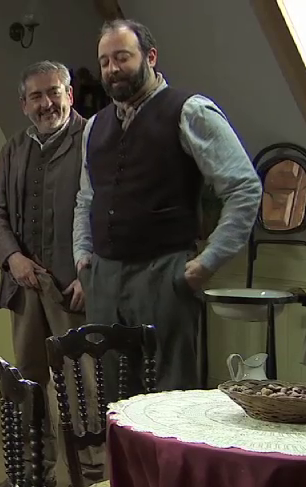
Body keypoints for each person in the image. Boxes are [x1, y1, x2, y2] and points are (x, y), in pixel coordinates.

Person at [73, 19, 262, 395]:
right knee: (112, 397)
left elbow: (244, 188)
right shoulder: (94, 127)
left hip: (164, 275)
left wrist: (206, 263)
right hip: (104, 279)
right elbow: (85, 198)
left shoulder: (190, 111)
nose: (112, 69)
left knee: (168, 397)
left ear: (151, 57)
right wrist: (82, 255)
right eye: (105, 61)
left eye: (122, 57)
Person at [0, 60, 102, 487]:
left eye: (54, 92)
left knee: (81, 384)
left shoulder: (93, 139)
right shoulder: (14, 149)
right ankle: (35, 469)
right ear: (24, 104)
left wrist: (90, 274)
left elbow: (106, 211)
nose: (46, 103)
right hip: (25, 286)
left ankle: (90, 478)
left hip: (74, 288)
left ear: (69, 95)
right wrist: (12, 258)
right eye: (36, 95)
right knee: (27, 381)